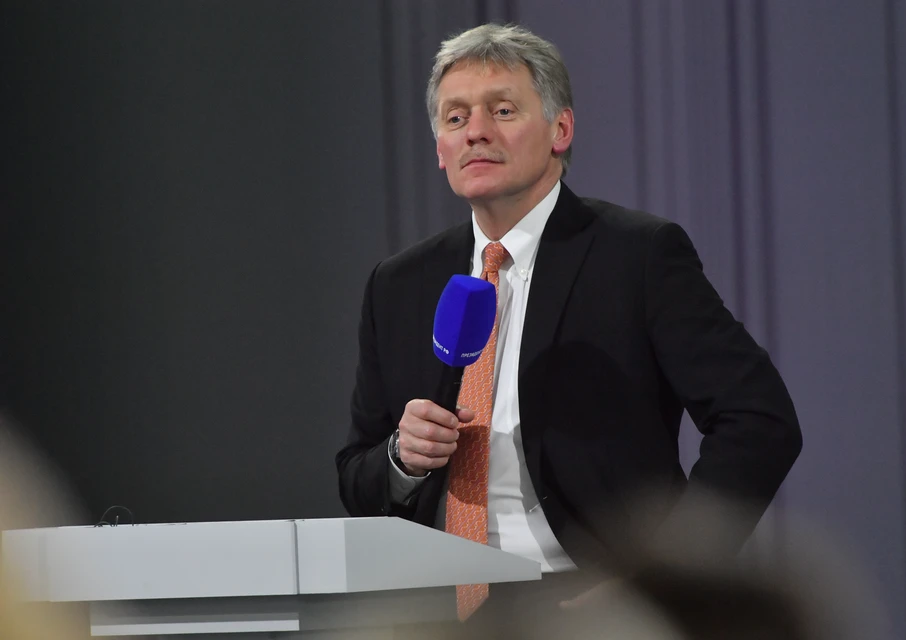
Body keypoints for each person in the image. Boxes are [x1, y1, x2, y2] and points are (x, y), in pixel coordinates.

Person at [336, 22, 802, 631]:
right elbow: (358, 476)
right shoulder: (399, 284)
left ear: (561, 130)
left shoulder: (636, 256)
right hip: (435, 611)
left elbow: (759, 420)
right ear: (440, 150)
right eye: (455, 118)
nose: (476, 131)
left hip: (584, 605)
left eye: (503, 110)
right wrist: (402, 459)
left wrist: (661, 580)